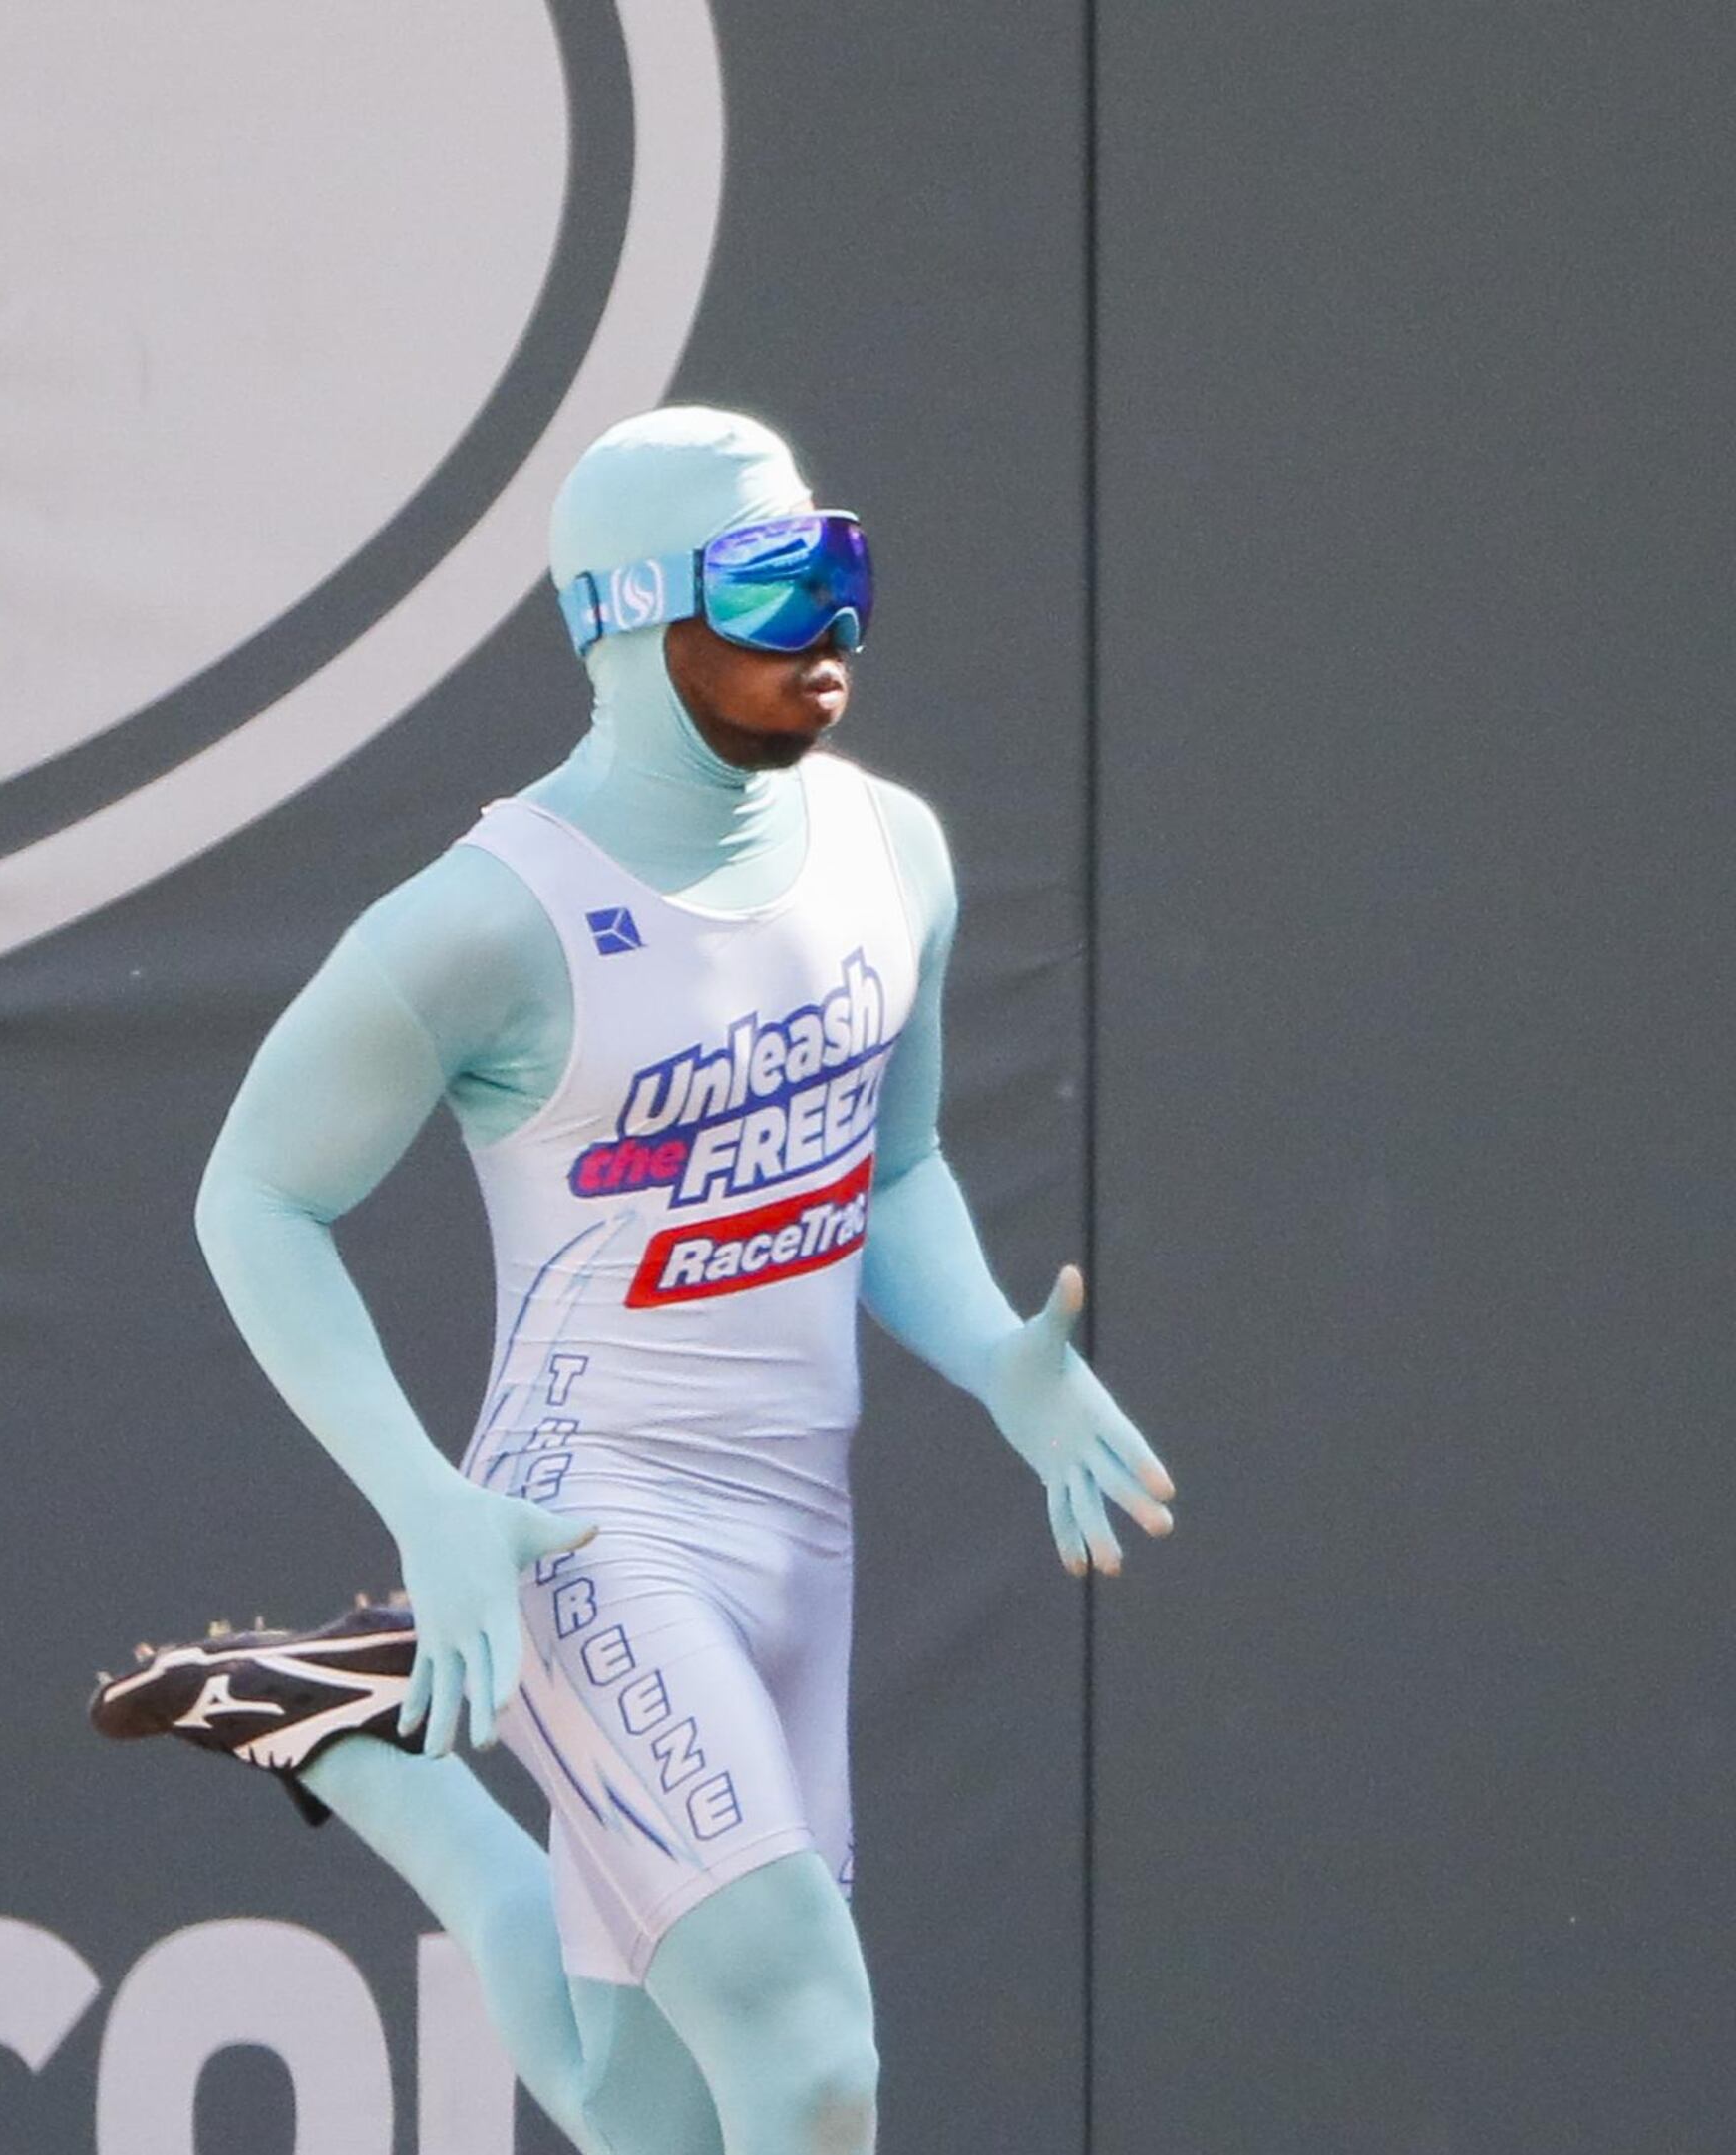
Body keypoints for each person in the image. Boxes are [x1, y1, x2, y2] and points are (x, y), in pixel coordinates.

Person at [90, 407, 1176, 2154]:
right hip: (582, 1529)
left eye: (843, 568)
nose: (828, 626)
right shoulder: (486, 917)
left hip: (794, 1529)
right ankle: (395, 1708)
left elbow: (891, 1171)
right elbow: (256, 1199)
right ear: (623, 615)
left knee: (640, 2107)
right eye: (769, 585)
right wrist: (428, 1502)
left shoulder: (896, 851)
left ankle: (348, 1746)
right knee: (812, 2057)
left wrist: (995, 1356)